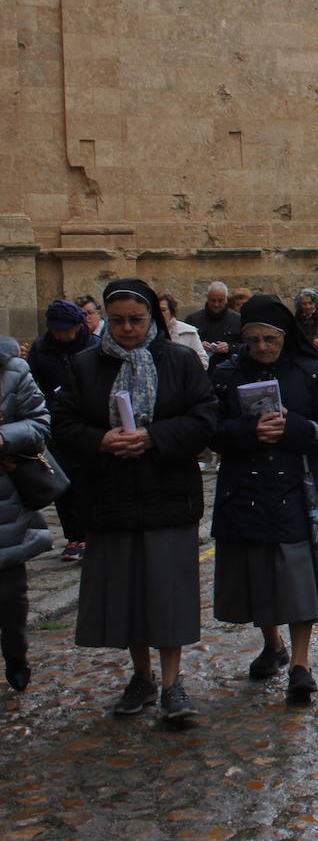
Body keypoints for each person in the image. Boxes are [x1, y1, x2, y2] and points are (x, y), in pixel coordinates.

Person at [52, 279, 216, 721]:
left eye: (136, 320)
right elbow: (63, 424)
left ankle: (172, 682)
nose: (126, 328)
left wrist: (153, 436)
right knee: (127, 593)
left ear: (153, 320)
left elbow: (204, 418)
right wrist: (100, 440)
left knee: (168, 593)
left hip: (167, 494)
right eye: (119, 320)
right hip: (111, 496)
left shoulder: (179, 362)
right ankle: (141, 675)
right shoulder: (85, 366)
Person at [209, 295, 318, 704]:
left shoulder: (311, 372)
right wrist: (248, 431)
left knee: (296, 576)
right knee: (254, 573)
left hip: (294, 487)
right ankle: (272, 644)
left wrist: (293, 428)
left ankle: (301, 665)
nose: (262, 348)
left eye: (269, 339)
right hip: (244, 487)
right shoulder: (226, 374)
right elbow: (209, 429)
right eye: (253, 341)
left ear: (284, 336)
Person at [0, 336, 55, 692]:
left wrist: (4, 438)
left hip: (4, 505)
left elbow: (40, 425)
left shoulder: (14, 370)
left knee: (9, 598)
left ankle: (16, 655)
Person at [25, 301, 95, 563]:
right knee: (62, 484)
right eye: (55, 330)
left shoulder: (94, 346)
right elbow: (33, 383)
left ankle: (90, 533)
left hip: (86, 423)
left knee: (87, 483)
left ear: (77, 327)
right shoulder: (42, 348)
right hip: (56, 424)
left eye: (64, 330)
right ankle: (73, 536)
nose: (60, 335)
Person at [186, 281, 242, 371]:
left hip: (230, 370)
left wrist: (230, 347)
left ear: (226, 299)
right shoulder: (193, 319)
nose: (216, 305)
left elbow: (246, 346)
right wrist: (199, 345)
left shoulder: (238, 320)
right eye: (213, 300)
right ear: (207, 299)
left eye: (220, 301)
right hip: (201, 369)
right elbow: (184, 345)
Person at [157, 293, 209, 370]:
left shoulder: (188, 332)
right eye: (156, 311)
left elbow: (203, 362)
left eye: (163, 310)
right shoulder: (145, 333)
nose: (159, 314)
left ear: (171, 311)